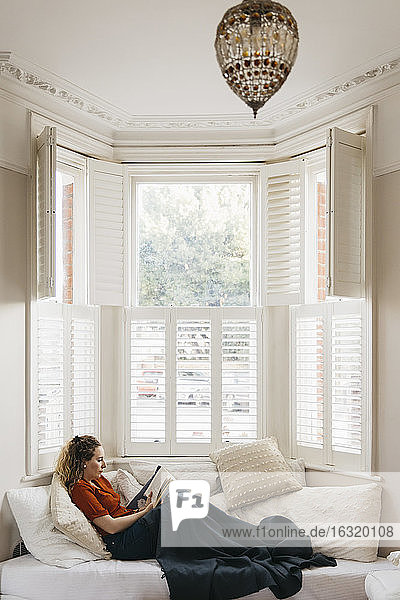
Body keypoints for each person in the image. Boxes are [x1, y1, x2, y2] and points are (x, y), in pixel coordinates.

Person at [56, 435, 336, 600]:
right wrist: (145, 512)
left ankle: (254, 537)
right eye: (98, 460)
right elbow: (110, 526)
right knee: (177, 506)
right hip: (125, 543)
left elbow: (118, 511)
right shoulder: (79, 489)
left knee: (187, 502)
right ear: (83, 462)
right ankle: (253, 543)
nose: (104, 465)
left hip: (136, 526)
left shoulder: (99, 480)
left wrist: (142, 506)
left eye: (103, 459)